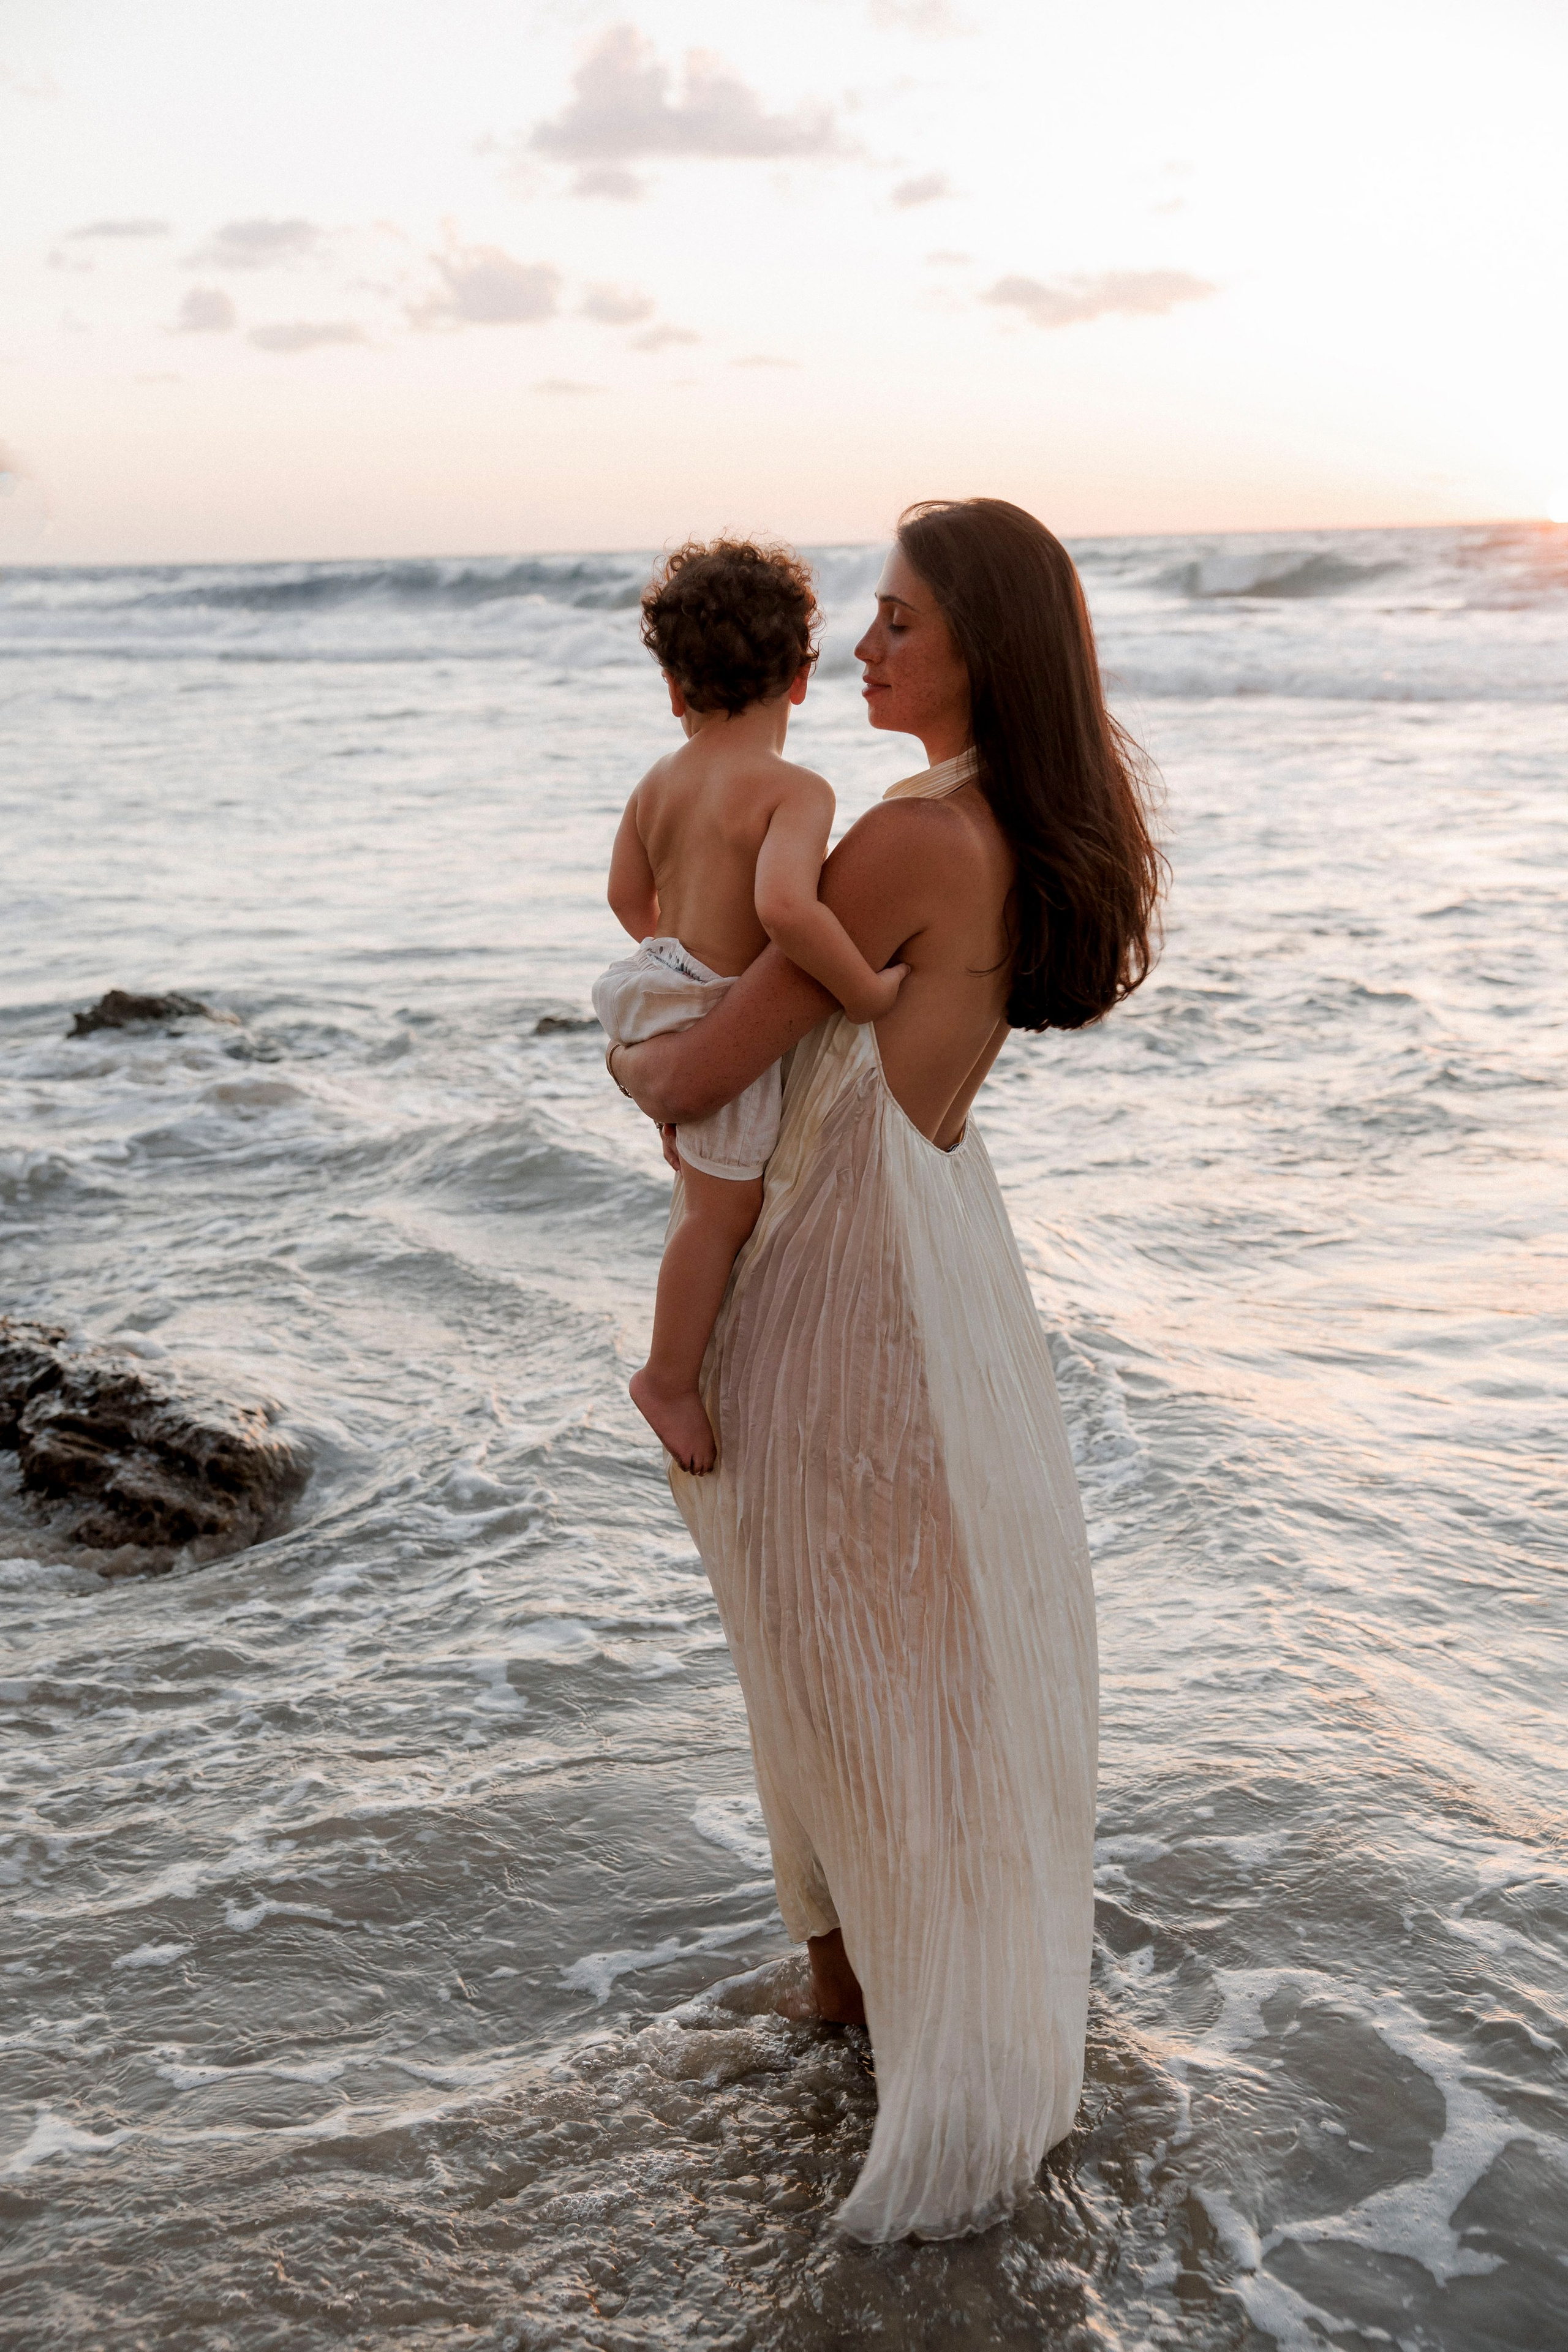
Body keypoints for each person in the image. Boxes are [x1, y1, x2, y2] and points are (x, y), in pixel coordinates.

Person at [607, 498, 1163, 2242]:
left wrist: (632, 1058)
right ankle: (877, 1983)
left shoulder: (908, 839)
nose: (865, 646)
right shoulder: (996, 817)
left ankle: (862, 1996)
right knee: (888, 1638)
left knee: (822, 1644)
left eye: (902, 620)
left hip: (836, 1280)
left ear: (982, 647)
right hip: (927, 1248)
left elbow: (699, 1079)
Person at [594, 538, 907, 1474]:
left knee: (705, 1186)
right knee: (719, 1219)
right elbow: (783, 908)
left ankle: (690, 1347)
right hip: (711, 1008)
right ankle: (668, 1378)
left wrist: (679, 956)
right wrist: (863, 988)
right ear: (803, 678)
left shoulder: (660, 780)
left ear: (674, 688)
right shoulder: (794, 789)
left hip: (654, 984)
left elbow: (624, 900)